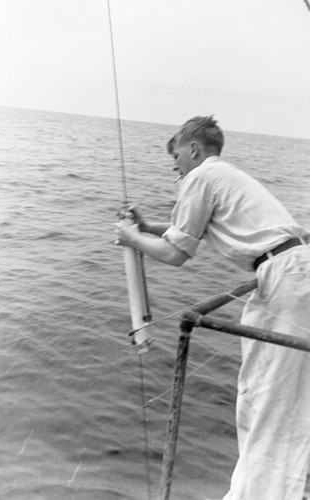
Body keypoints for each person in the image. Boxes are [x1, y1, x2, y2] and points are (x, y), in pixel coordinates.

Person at [114, 115, 310, 500]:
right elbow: (183, 232)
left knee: (266, 398)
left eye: (176, 160)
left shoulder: (200, 178)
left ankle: (263, 494)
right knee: (289, 394)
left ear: (192, 149)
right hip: (295, 269)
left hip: (287, 278)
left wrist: (130, 238)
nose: (176, 169)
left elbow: (175, 254)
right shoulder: (224, 175)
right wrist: (147, 227)